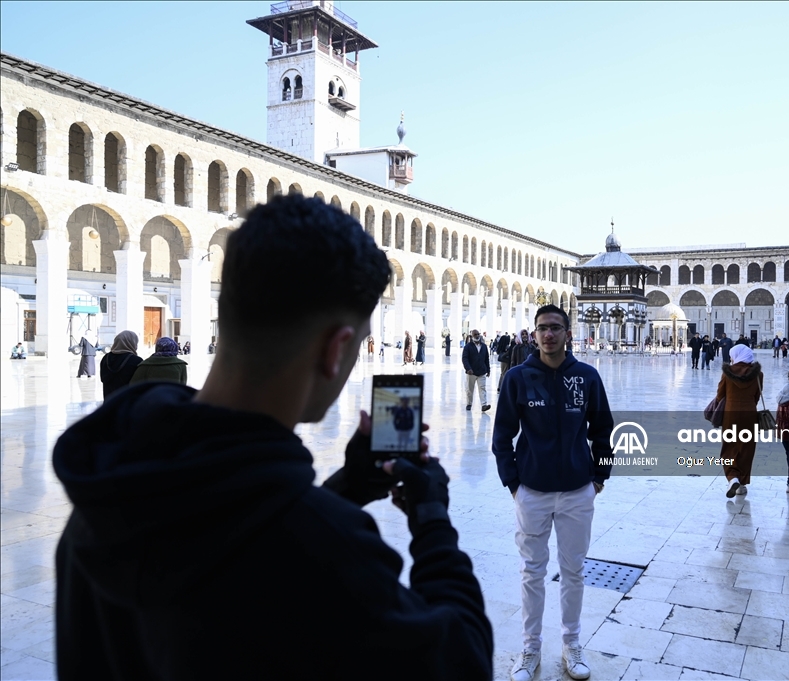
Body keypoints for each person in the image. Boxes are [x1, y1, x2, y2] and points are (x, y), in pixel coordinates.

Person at [52, 194, 492, 680]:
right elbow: (463, 659)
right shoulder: (330, 552)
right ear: (336, 348)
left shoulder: (103, 492)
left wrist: (348, 488)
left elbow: (228, 531)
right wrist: (431, 521)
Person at [492, 304, 613, 681]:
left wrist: (598, 479)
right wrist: (513, 483)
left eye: (555, 328)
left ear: (567, 333)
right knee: (531, 571)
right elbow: (502, 436)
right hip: (533, 491)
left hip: (578, 490)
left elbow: (603, 431)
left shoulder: (587, 377)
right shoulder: (518, 378)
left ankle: (571, 643)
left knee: (573, 570)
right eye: (542, 328)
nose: (548, 334)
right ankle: (530, 649)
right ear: (534, 333)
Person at [717, 344, 763, 498]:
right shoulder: (758, 374)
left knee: (729, 448)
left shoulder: (727, 373)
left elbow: (720, 395)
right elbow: (757, 396)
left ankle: (732, 478)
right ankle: (742, 484)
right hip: (750, 415)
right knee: (746, 448)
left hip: (731, 415)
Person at [99, 330, 143, 400]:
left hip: (109, 401)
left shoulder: (105, 358)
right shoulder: (136, 360)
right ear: (132, 342)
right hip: (126, 404)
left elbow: (103, 378)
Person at [462, 328, 491, 412]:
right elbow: (465, 359)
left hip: (481, 371)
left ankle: (484, 405)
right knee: (469, 389)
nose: (477, 336)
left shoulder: (484, 346)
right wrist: (468, 368)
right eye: (475, 334)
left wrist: (488, 370)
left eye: (478, 334)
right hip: (471, 372)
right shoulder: (468, 347)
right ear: (472, 336)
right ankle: (469, 403)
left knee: (482, 388)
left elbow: (486, 359)